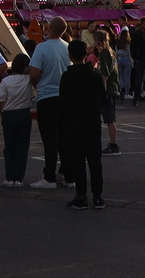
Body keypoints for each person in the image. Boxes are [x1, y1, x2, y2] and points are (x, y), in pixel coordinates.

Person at [58, 39, 107, 211]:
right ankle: (98, 196)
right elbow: (103, 97)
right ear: (86, 54)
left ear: (70, 56)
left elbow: (63, 101)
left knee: (77, 159)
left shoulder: (67, 76)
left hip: (74, 122)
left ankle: (81, 196)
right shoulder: (95, 74)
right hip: (93, 120)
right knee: (95, 160)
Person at [26, 17, 71, 190]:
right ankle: (67, 175)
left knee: (49, 139)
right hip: (64, 97)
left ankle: (49, 176)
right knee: (64, 138)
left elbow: (35, 73)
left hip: (47, 97)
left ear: (50, 27)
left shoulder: (42, 48)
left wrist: (36, 84)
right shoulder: (67, 48)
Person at [0, 54, 34, 187]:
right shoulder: (28, 79)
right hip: (24, 113)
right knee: (22, 147)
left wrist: (2, 113)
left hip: (9, 114)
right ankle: (19, 178)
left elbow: (1, 99)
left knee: (9, 146)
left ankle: (9, 176)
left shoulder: (6, 81)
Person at [90, 29, 120, 155]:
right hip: (113, 87)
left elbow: (105, 74)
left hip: (108, 88)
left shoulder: (104, 53)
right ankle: (112, 143)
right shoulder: (111, 51)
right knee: (110, 117)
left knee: (109, 118)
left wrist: (101, 90)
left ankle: (113, 144)